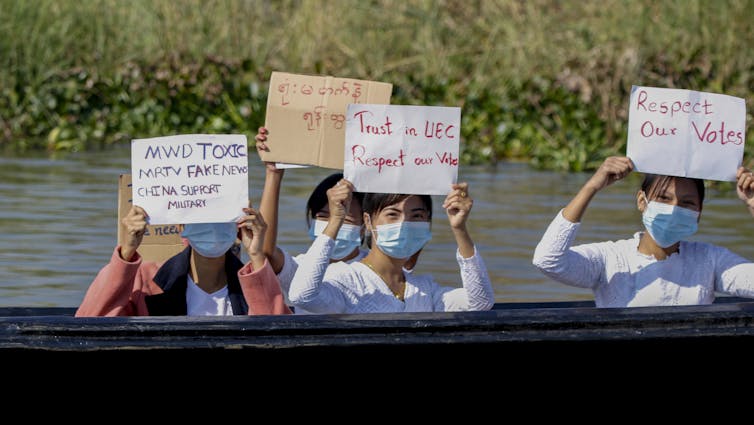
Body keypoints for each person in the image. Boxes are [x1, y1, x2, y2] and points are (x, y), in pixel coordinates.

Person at [532, 156, 754, 307]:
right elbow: (548, 260)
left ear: (699, 211)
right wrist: (592, 186)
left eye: (686, 203)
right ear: (642, 201)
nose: (674, 209)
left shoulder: (709, 260)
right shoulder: (611, 258)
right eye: (664, 199)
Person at [254, 126, 420, 312]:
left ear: (365, 224)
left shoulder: (379, 268)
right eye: (323, 216)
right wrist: (273, 174)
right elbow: (266, 250)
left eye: (345, 219)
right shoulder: (301, 268)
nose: (333, 222)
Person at [286, 178, 495, 313]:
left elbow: (480, 303)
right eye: (392, 214)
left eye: (417, 216)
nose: (404, 224)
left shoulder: (424, 289)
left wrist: (459, 228)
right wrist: (335, 221)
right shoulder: (345, 279)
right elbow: (302, 295)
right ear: (367, 222)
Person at [75, 203, 291, 316]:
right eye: (201, 216)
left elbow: (282, 338)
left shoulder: (252, 284)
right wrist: (127, 252)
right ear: (181, 227)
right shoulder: (146, 280)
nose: (212, 224)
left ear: (238, 225)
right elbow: (91, 322)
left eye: (222, 216)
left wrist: (256, 256)